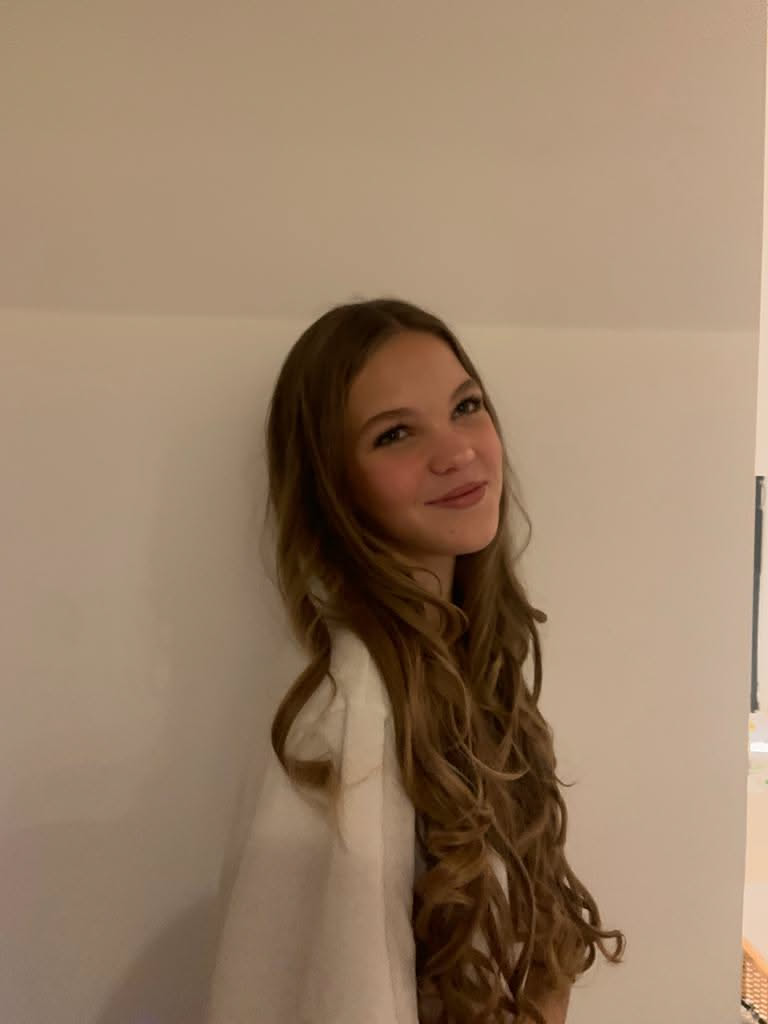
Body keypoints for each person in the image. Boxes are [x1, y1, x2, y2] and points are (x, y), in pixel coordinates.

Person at [205, 298, 626, 1024]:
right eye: (395, 433)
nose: (457, 451)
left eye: (466, 406)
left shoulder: (461, 670)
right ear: (333, 485)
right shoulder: (349, 717)